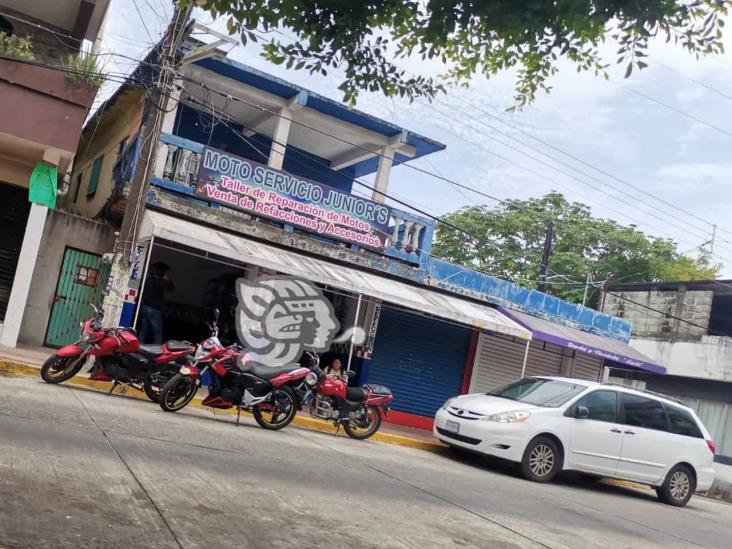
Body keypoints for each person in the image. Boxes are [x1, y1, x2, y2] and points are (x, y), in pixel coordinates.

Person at [139, 262, 174, 344]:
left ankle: (140, 347)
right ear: (161, 273)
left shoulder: (147, 280)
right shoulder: (162, 282)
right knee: (158, 333)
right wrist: (167, 279)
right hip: (154, 310)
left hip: (144, 308)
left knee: (143, 330)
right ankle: (157, 350)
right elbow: (171, 288)